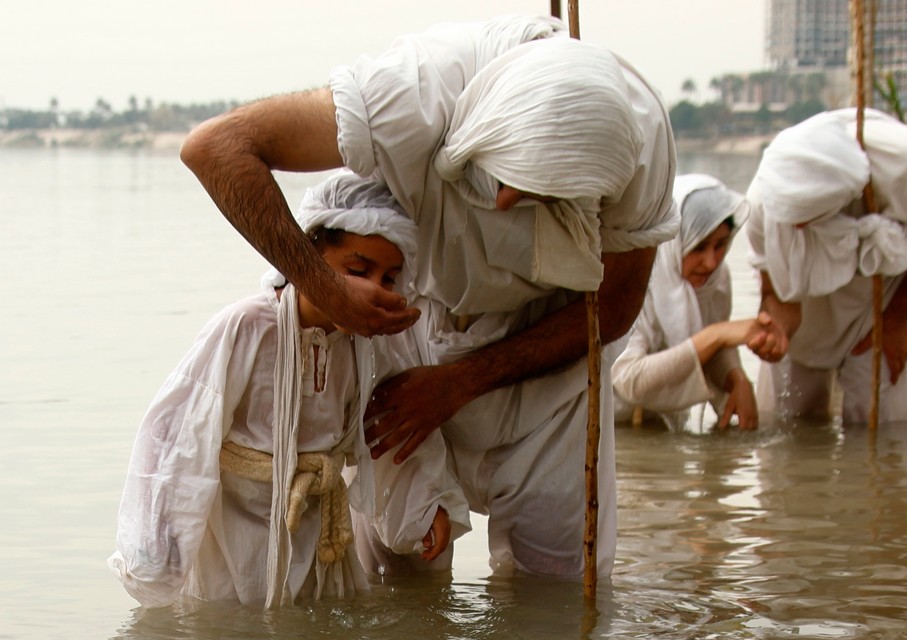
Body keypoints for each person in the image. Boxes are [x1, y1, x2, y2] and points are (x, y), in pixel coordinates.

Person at [178, 16, 679, 579]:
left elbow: (612, 308)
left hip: (554, 353)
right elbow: (217, 147)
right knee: (403, 567)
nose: (509, 201)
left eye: (542, 198)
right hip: (410, 324)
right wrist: (329, 291)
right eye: (503, 179)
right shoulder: (413, 93)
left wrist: (462, 383)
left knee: (554, 601)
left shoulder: (645, 145)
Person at [109, 171, 470, 608]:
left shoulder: (371, 342)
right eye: (357, 271)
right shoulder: (247, 328)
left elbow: (394, 428)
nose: (371, 290)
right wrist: (155, 555)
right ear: (307, 258)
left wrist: (425, 503)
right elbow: (175, 436)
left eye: (388, 279)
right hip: (234, 539)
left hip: (320, 539)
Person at [744, 108, 907, 425]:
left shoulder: (904, 163)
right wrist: (777, 331)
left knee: (877, 426)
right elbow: (777, 295)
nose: (799, 227)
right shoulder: (761, 204)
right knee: (786, 422)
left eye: (808, 219)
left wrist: (897, 317)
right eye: (793, 222)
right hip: (807, 295)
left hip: (884, 291)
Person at [612, 173, 767, 432]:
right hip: (614, 431)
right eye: (699, 247)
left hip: (663, 424)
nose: (711, 262)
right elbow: (627, 378)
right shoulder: (636, 279)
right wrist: (715, 336)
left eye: (721, 245)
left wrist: (736, 379)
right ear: (674, 241)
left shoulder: (716, 279)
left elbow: (715, 344)